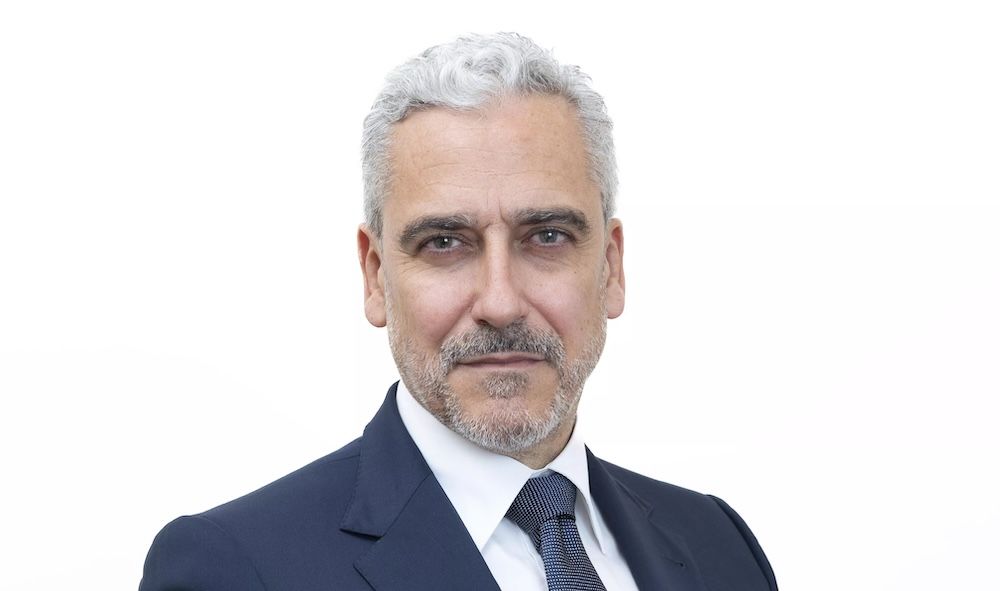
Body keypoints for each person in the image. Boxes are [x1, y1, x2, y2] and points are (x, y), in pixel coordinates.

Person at [139, 32, 778, 591]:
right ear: (376, 275)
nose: (500, 303)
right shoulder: (234, 567)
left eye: (547, 236)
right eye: (444, 243)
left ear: (610, 268)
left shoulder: (719, 546)